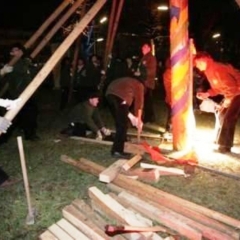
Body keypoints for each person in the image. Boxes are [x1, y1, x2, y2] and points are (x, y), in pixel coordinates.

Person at [194, 51, 240, 153]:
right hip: (232, 93)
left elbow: (231, 87)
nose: (197, 66)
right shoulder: (209, 71)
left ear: (204, 60)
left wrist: (227, 101)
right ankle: (221, 140)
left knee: (228, 118)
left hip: (237, 93)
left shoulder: (217, 68)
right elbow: (218, 88)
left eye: (197, 63)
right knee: (222, 115)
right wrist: (207, 94)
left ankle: (224, 145)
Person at [3, 43, 39, 141]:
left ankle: (29, 133)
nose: (18, 52)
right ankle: (4, 136)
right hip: (17, 94)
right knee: (13, 117)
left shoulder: (25, 61)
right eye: (15, 50)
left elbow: (34, 72)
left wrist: (31, 64)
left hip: (28, 93)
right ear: (11, 53)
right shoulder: (11, 63)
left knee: (31, 114)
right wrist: (28, 62)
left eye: (19, 49)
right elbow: (21, 70)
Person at [106, 77, 144, 159]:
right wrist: (138, 118)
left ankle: (122, 142)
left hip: (109, 94)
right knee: (122, 125)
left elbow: (124, 111)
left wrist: (133, 118)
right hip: (120, 97)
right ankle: (117, 150)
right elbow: (139, 102)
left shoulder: (129, 81)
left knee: (120, 122)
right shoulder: (139, 85)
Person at [135, 43, 157, 123]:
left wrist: (141, 73)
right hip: (144, 82)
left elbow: (151, 70)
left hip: (147, 83)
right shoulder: (145, 58)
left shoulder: (151, 58)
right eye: (142, 47)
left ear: (149, 48)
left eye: (145, 47)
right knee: (147, 101)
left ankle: (148, 117)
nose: (142, 48)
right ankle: (150, 117)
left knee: (146, 100)